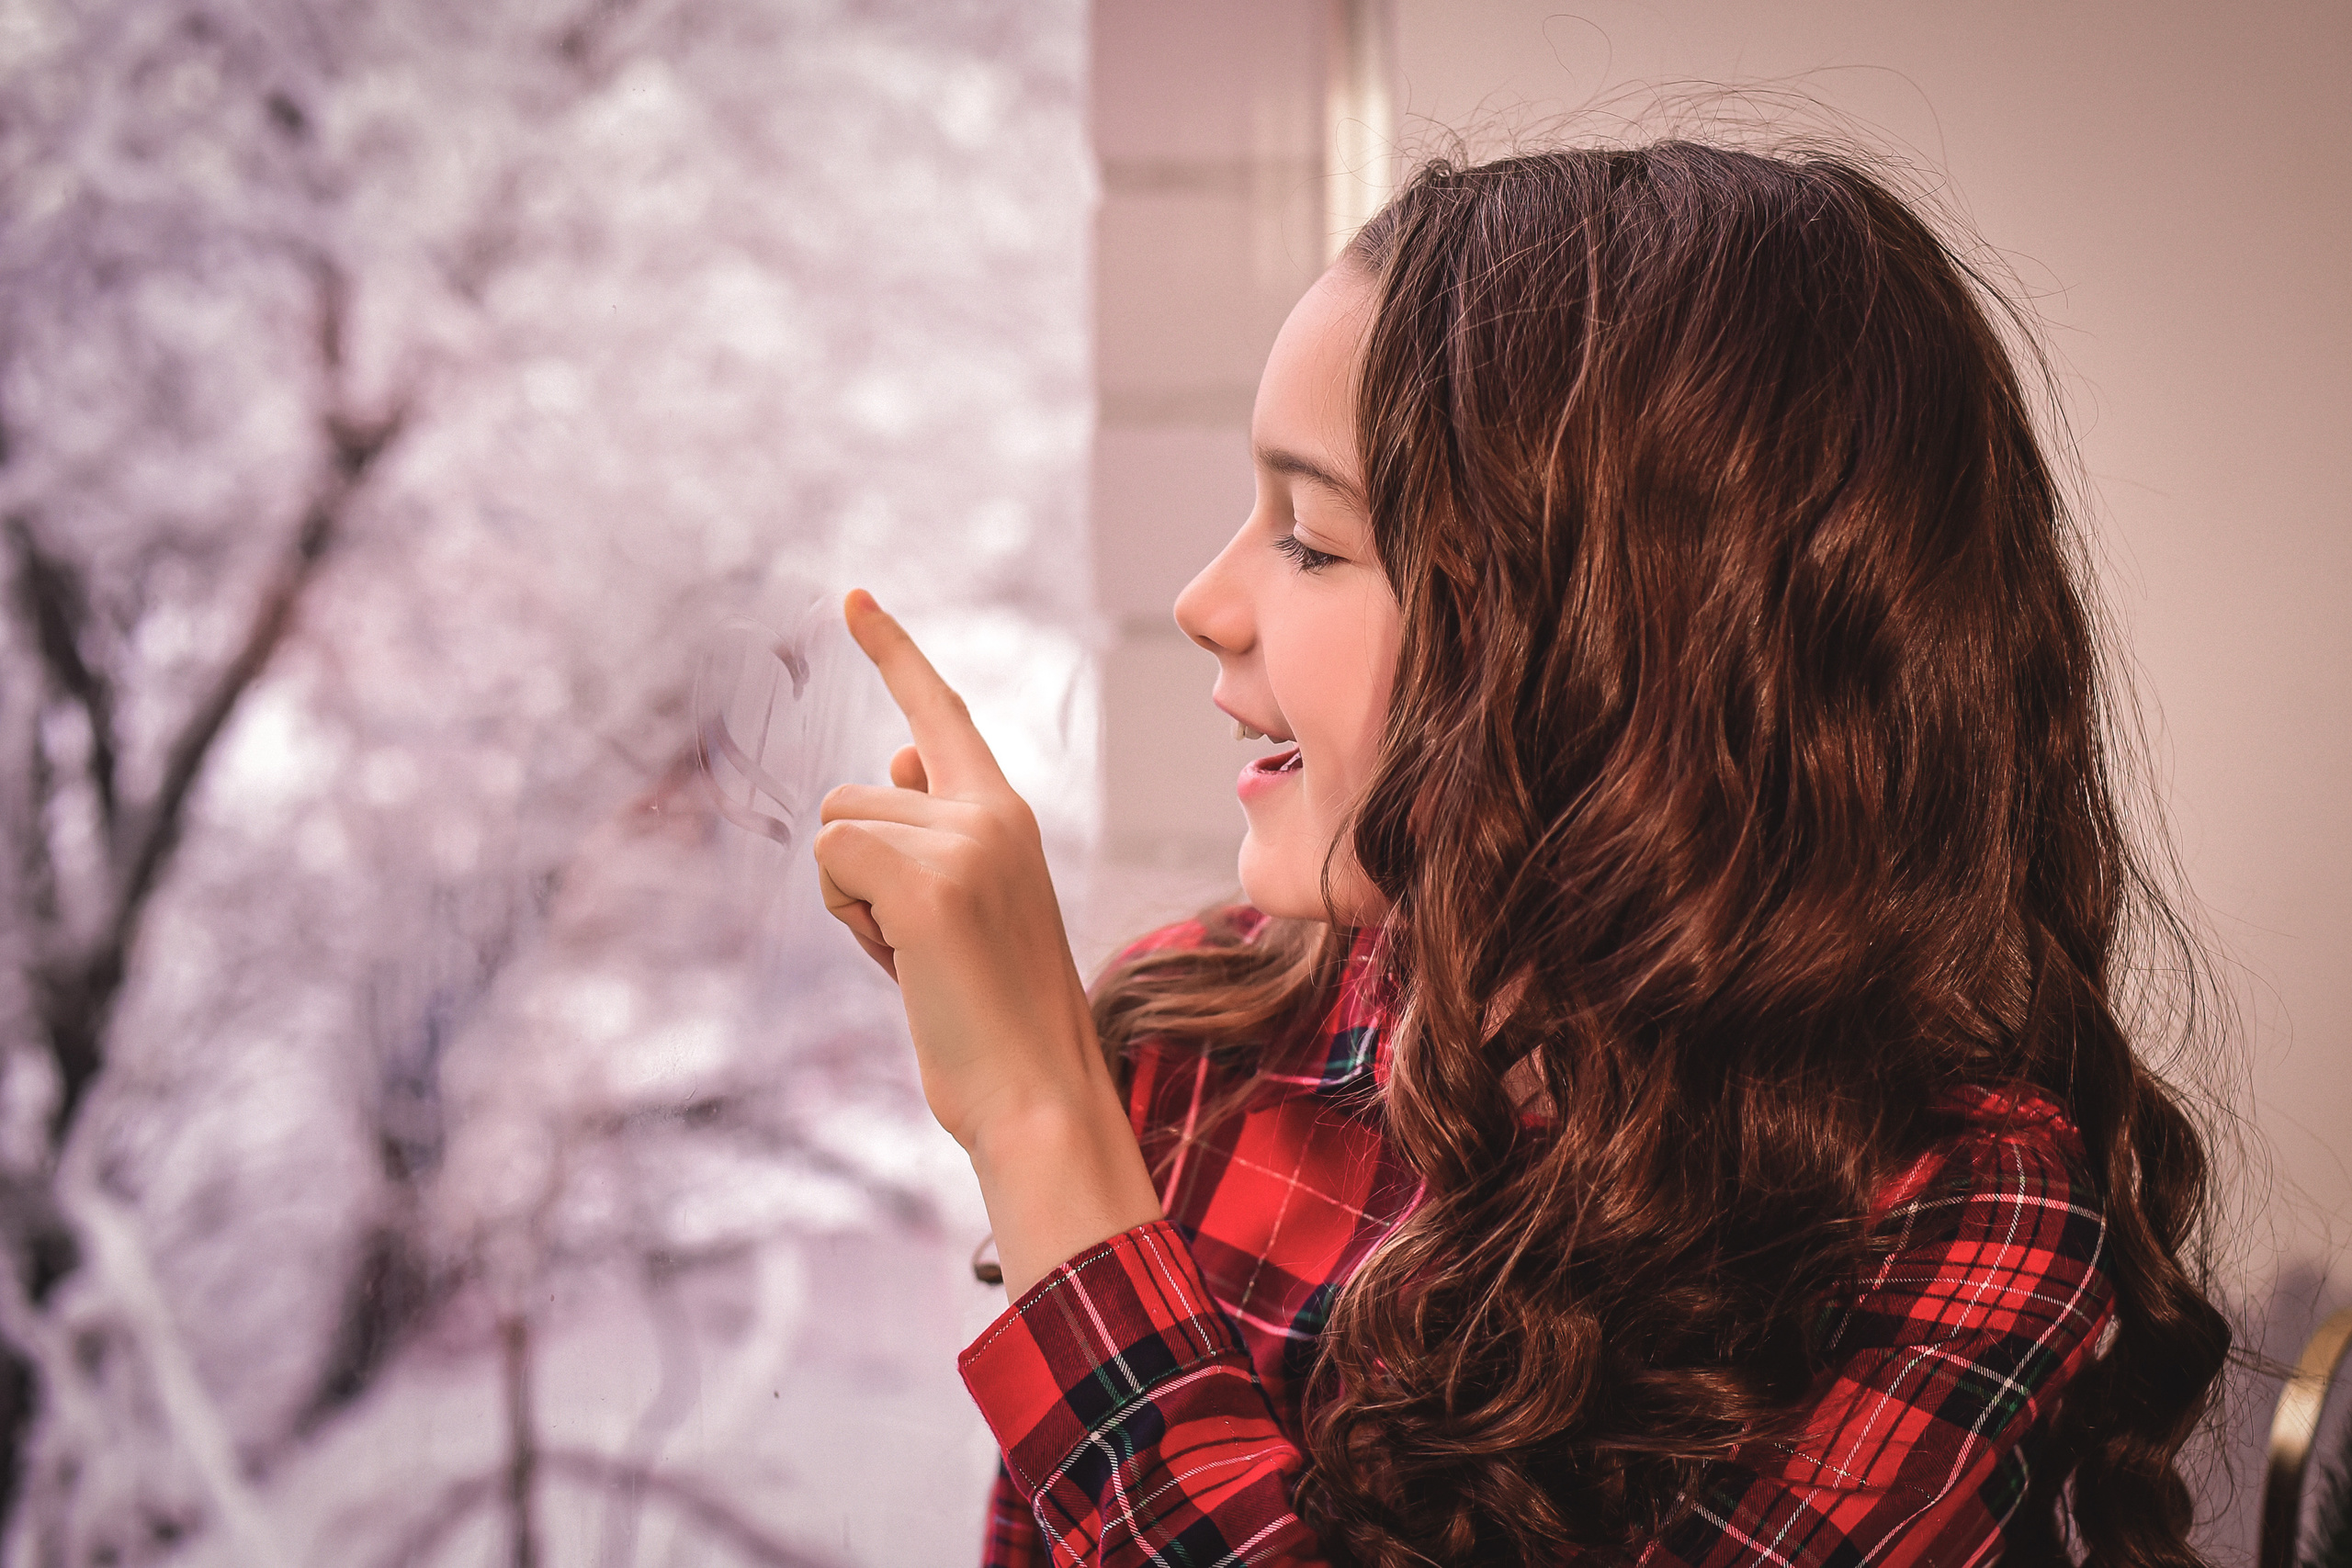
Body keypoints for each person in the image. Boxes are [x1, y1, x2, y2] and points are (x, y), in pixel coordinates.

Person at [811, 142, 2232, 1567]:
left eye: (1311, 541)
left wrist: (1037, 1123)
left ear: (1617, 659)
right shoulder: (1195, 1043)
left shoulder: (1956, 1222)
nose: (1203, 602)